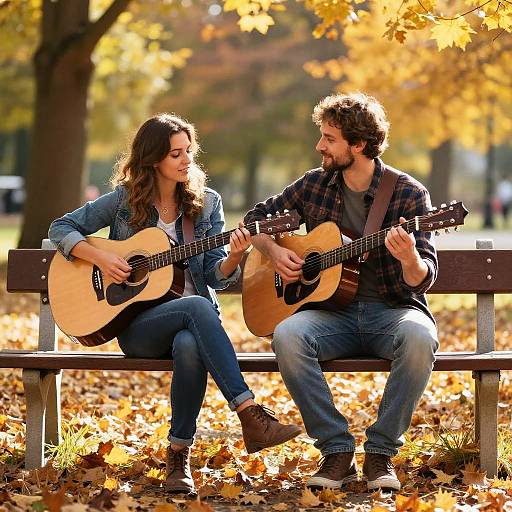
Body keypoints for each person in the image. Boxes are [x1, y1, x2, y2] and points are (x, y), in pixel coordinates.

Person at [49, 113, 301, 495]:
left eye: (189, 152)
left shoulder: (207, 203)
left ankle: (179, 456)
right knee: (197, 308)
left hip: (192, 327)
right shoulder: (123, 201)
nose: (186, 161)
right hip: (136, 327)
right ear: (152, 160)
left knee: (189, 340)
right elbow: (60, 227)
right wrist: (101, 258)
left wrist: (233, 257)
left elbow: (215, 275)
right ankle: (250, 414)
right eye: (175, 154)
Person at [244, 93, 439, 492]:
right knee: (288, 335)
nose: (320, 146)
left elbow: (423, 277)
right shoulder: (315, 184)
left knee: (420, 338)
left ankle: (381, 453)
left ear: (359, 145)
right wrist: (274, 250)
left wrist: (408, 259)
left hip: (391, 310)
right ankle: (336, 450)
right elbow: (254, 220)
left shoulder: (408, 195)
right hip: (331, 314)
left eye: (329, 139)